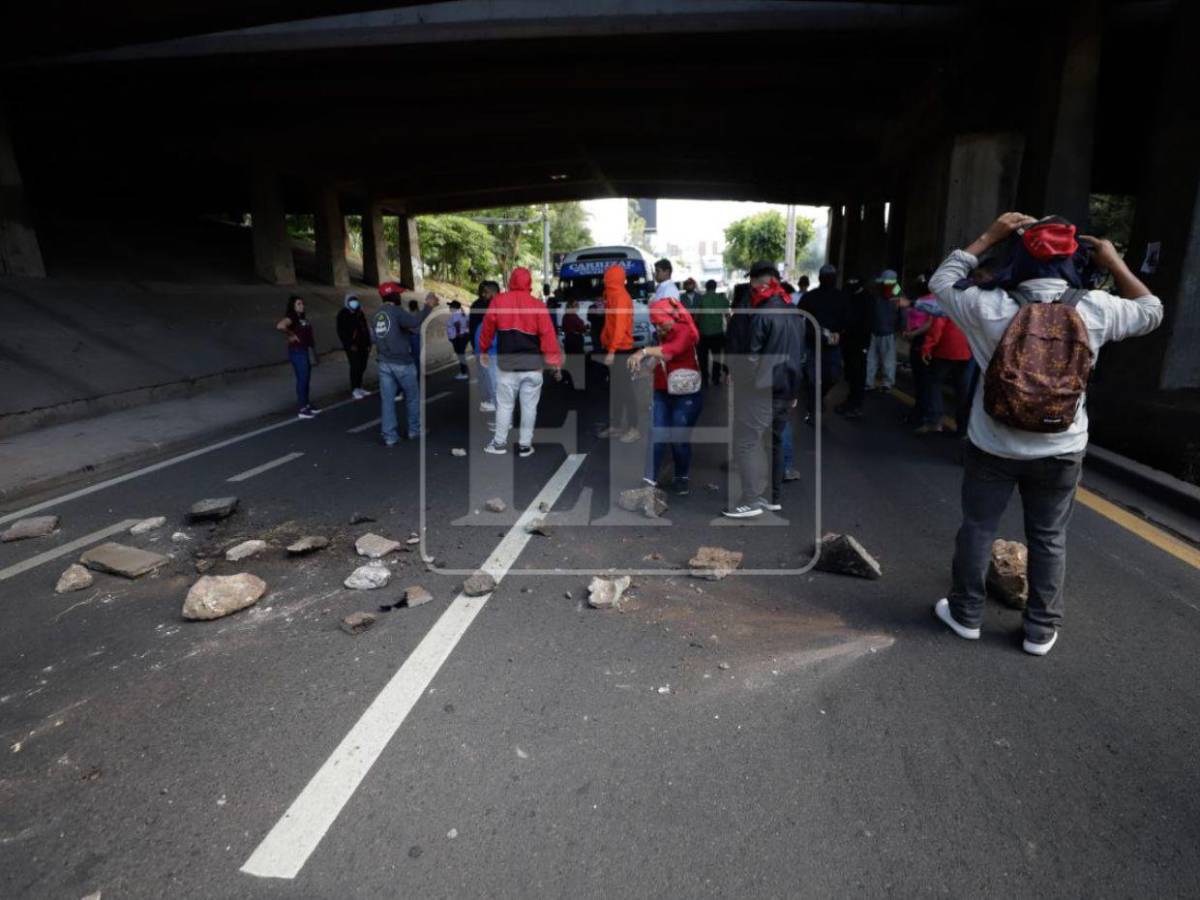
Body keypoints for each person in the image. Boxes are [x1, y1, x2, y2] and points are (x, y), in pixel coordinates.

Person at [929, 212, 1163, 656]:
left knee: (978, 528)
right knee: (1049, 537)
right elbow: (1152, 311)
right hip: (1062, 447)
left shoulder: (986, 305)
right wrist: (1114, 263)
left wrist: (989, 235)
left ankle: (966, 615)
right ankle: (1039, 630)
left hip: (993, 444)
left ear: (1017, 257)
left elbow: (942, 282)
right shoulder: (1095, 307)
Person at [723, 262, 805, 519]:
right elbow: (799, 356)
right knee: (775, 441)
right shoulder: (794, 312)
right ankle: (772, 498)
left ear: (759, 283)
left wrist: (746, 387)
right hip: (787, 389)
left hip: (762, 390)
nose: (751, 287)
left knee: (746, 442)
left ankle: (751, 500)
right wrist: (793, 392)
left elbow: (751, 359)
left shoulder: (761, 314)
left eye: (753, 282)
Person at [480, 267, 563, 457]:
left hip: (506, 366)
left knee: (505, 406)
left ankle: (499, 443)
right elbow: (548, 337)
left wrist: (483, 349)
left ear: (511, 281)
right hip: (533, 367)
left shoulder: (499, 301)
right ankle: (525, 445)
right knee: (529, 407)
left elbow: (487, 329)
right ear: (529, 283)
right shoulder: (538, 306)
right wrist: (554, 362)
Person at [628, 288, 703, 495]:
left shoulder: (685, 330)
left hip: (686, 395)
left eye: (660, 323)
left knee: (679, 439)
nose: (658, 329)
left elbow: (670, 353)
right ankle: (648, 483)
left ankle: (681, 477)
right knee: (656, 435)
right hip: (662, 392)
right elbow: (658, 359)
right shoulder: (663, 332)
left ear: (671, 317)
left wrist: (641, 352)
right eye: (654, 325)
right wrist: (644, 369)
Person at [372, 282, 438, 445]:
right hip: (402, 363)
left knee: (387, 400)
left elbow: (375, 338)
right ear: (392, 296)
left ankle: (389, 436)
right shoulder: (396, 311)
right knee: (412, 397)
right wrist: (428, 307)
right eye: (398, 294)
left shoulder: (377, 315)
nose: (400, 296)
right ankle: (415, 430)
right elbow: (414, 322)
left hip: (384, 363)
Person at [797, 264, 848, 425]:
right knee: (812, 381)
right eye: (827, 276)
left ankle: (818, 399)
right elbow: (799, 317)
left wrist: (839, 334)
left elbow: (848, 319)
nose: (828, 279)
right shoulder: (810, 297)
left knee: (832, 377)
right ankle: (812, 411)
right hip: (812, 345)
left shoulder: (842, 297)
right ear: (820, 278)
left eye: (830, 276)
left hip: (832, 346)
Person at [915, 310, 972, 435]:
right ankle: (963, 428)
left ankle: (935, 420)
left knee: (934, 383)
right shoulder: (971, 303)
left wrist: (927, 348)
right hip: (966, 351)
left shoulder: (947, 301)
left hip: (945, 350)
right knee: (962, 390)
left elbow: (937, 327)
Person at [599, 264, 639, 442]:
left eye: (606, 276)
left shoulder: (621, 297)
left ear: (612, 277)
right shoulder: (611, 295)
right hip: (615, 349)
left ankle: (633, 428)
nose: (604, 279)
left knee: (626, 391)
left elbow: (620, 327)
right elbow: (611, 324)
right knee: (616, 391)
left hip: (621, 351)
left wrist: (612, 351)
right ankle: (616, 425)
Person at [901, 283, 940, 425]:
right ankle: (920, 411)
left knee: (924, 380)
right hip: (916, 338)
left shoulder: (934, 301)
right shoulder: (921, 299)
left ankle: (922, 414)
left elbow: (930, 323)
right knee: (919, 379)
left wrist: (913, 334)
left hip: (923, 340)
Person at [835, 274, 872, 419]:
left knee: (858, 373)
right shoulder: (849, 296)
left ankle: (856, 404)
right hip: (849, 342)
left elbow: (866, 323)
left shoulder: (867, 299)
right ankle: (851, 401)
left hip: (860, 342)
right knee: (851, 373)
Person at [276, 295, 319, 419]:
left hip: (306, 350)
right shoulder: (293, 316)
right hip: (298, 351)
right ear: (293, 306)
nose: (302, 306)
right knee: (302, 378)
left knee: (306, 378)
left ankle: (306, 404)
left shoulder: (302, 317)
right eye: (299, 304)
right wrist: (291, 334)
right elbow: (280, 325)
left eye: (302, 304)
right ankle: (302, 408)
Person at [866, 269, 903, 390]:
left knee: (873, 359)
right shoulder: (896, 291)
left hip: (878, 330)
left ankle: (870, 382)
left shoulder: (877, 291)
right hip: (887, 331)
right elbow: (902, 312)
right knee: (887, 359)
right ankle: (886, 383)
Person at [470, 281, 499, 412]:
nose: (483, 294)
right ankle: (491, 402)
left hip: (489, 349)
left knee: (490, 378)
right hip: (487, 348)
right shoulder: (483, 305)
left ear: (492, 292)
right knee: (490, 378)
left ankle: (492, 402)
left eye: (485, 292)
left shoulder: (483, 305)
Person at [694, 279, 729, 386]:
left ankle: (705, 379)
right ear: (715, 287)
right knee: (717, 357)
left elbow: (696, 317)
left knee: (703, 358)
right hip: (718, 333)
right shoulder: (721, 299)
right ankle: (715, 378)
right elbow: (727, 316)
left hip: (703, 334)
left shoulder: (701, 299)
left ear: (706, 287)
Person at [336, 292, 371, 400]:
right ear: (347, 302)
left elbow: (365, 328)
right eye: (351, 301)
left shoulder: (359, 313)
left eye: (355, 300)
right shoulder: (343, 314)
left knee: (362, 365)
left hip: (363, 344)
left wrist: (368, 343)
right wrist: (349, 344)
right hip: (352, 346)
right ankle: (354, 388)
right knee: (355, 366)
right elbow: (341, 332)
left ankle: (360, 387)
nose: (354, 303)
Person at [447, 300, 471, 380]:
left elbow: (457, 324)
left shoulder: (455, 314)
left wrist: (458, 333)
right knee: (461, 354)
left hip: (458, 338)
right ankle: (464, 370)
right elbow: (467, 323)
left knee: (460, 355)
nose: (449, 308)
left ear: (454, 307)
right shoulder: (462, 313)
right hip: (463, 336)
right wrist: (466, 331)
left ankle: (464, 373)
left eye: (450, 306)